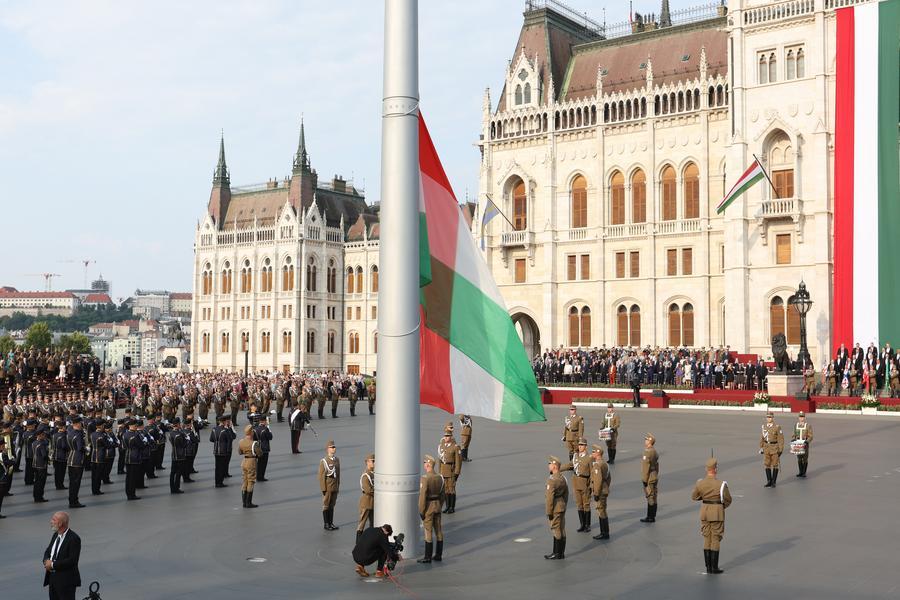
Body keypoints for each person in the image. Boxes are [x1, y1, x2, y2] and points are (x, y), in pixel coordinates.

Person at [691, 457, 732, 574]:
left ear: (706, 469)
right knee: (715, 538)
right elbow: (728, 500)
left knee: (706, 537)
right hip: (717, 512)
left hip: (705, 512)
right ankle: (714, 567)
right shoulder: (721, 484)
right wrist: (720, 507)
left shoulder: (700, 483)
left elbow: (694, 497)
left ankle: (708, 567)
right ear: (716, 469)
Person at [43, 511, 82, 600]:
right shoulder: (55, 535)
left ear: (60, 523)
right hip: (52, 579)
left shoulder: (74, 539)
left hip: (66, 581)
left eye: (54, 520)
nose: (51, 522)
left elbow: (72, 560)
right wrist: (46, 561)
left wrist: (52, 564)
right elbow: (48, 551)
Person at [417, 454, 446, 563]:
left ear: (428, 464)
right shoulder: (440, 477)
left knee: (428, 531)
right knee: (438, 530)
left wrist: (421, 510)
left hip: (428, 507)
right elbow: (443, 495)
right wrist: (439, 505)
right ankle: (438, 555)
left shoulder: (425, 479)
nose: (424, 464)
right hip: (437, 505)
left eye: (425, 462)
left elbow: (423, 496)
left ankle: (427, 557)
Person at [560, 438, 592, 533]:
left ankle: (587, 525)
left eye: (582, 445)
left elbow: (592, 473)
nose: (580, 446)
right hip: (576, 482)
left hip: (584, 482)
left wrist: (591, 486)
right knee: (579, 504)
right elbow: (570, 465)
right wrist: (559, 469)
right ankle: (582, 524)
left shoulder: (589, 458)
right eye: (579, 445)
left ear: (586, 446)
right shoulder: (576, 456)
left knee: (586, 504)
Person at [544, 455, 568, 560]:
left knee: (556, 529)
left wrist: (549, 512)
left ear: (554, 466)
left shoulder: (552, 480)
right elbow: (566, 494)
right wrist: (564, 504)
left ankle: (557, 553)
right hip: (562, 505)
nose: (548, 465)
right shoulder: (562, 477)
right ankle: (560, 552)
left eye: (550, 464)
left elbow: (549, 498)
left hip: (555, 507)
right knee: (562, 529)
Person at [437, 424, 462, 514]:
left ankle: (452, 507)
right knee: (446, 490)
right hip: (444, 470)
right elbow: (440, 459)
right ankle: (447, 506)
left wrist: (457, 473)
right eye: (445, 436)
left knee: (451, 489)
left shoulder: (455, 447)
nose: (446, 437)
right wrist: (440, 472)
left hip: (451, 470)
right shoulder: (442, 446)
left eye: (448, 436)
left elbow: (458, 461)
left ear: (451, 437)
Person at [590, 444, 611, 541]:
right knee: (603, 510)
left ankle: (604, 533)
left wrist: (596, 493)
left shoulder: (598, 465)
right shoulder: (605, 463)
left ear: (597, 453)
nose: (592, 453)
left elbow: (597, 481)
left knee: (601, 511)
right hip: (604, 489)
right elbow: (608, 478)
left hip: (600, 491)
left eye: (593, 451)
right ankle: (604, 532)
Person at [318, 439, 340, 530]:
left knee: (332, 505)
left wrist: (338, 485)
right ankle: (326, 524)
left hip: (334, 486)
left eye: (334, 447)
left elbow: (338, 474)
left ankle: (331, 523)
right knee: (326, 505)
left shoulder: (337, 460)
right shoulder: (324, 461)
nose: (333, 449)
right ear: (327, 449)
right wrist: (324, 489)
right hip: (328, 486)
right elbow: (321, 476)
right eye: (331, 447)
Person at [237, 424, 260, 508]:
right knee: (251, 481)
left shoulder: (241, 441)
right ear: (251, 433)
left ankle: (244, 502)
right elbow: (259, 453)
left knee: (245, 481)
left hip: (244, 461)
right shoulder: (254, 443)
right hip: (251, 462)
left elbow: (240, 452)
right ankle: (248, 502)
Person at [759, 412, 784, 487]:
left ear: (773, 418)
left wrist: (780, 449)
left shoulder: (777, 427)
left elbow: (781, 439)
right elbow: (762, 437)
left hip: (774, 447)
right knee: (767, 464)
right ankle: (769, 481)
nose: (768, 419)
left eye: (770, 417)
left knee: (775, 464)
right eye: (767, 417)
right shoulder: (764, 427)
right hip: (766, 447)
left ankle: (774, 482)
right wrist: (761, 447)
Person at [66, 417, 86, 509]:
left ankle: (72, 500)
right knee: (76, 482)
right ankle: (74, 501)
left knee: (72, 482)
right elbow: (80, 447)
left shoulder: (70, 433)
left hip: (70, 458)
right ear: (77, 424)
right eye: (80, 423)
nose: (81, 424)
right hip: (77, 460)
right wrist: (86, 449)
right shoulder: (78, 434)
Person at [210, 415, 235, 488]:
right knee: (222, 467)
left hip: (216, 450)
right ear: (224, 422)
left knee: (217, 467)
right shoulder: (225, 430)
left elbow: (211, 439)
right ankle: (220, 483)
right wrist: (230, 428)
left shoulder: (214, 429)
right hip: (223, 451)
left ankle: (217, 482)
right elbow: (231, 438)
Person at [640, 433, 659, 523]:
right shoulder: (654, 451)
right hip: (654, 475)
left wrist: (644, 479)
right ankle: (653, 515)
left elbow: (645, 468)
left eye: (646, 440)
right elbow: (657, 465)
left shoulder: (647, 452)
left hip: (649, 477)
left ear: (649, 441)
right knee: (654, 496)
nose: (645, 441)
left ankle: (650, 517)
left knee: (650, 496)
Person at [357, 453, 375, 542]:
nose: (374, 463)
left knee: (373, 523)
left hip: (373, 502)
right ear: (367, 462)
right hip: (366, 502)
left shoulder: (374, 474)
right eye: (373, 461)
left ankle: (371, 540)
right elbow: (368, 490)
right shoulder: (366, 475)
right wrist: (378, 493)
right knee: (362, 523)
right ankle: (358, 541)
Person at [791, 411, 813, 478]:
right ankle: (800, 472)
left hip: (805, 444)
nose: (801, 418)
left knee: (805, 458)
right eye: (800, 417)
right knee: (799, 458)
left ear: (804, 417)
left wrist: (807, 441)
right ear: (798, 418)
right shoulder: (796, 425)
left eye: (802, 417)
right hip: (798, 443)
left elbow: (810, 436)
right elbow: (793, 434)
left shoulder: (808, 426)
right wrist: (793, 439)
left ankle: (804, 472)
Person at [32, 427, 50, 503]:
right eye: (43, 435)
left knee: (36, 481)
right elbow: (44, 455)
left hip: (35, 464)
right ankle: (39, 497)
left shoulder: (34, 443)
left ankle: (36, 496)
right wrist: (48, 458)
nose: (44, 436)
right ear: (40, 435)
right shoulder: (42, 444)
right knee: (41, 482)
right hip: (41, 465)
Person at [168, 418, 186, 494]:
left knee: (172, 473)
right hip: (180, 454)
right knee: (178, 472)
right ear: (178, 424)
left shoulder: (171, 433)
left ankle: (172, 488)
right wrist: (187, 440)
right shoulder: (179, 434)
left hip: (174, 454)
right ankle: (176, 488)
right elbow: (183, 445)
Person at [254, 416, 272, 481]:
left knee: (259, 463)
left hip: (257, 448)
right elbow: (270, 437)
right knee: (263, 463)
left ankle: (258, 476)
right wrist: (269, 429)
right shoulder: (265, 429)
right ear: (264, 421)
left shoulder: (255, 428)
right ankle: (261, 477)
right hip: (264, 448)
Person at [0, 437, 14, 517]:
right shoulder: (3, 455)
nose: (4, 447)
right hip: (2, 479)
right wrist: (12, 459)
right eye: (3, 445)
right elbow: (10, 462)